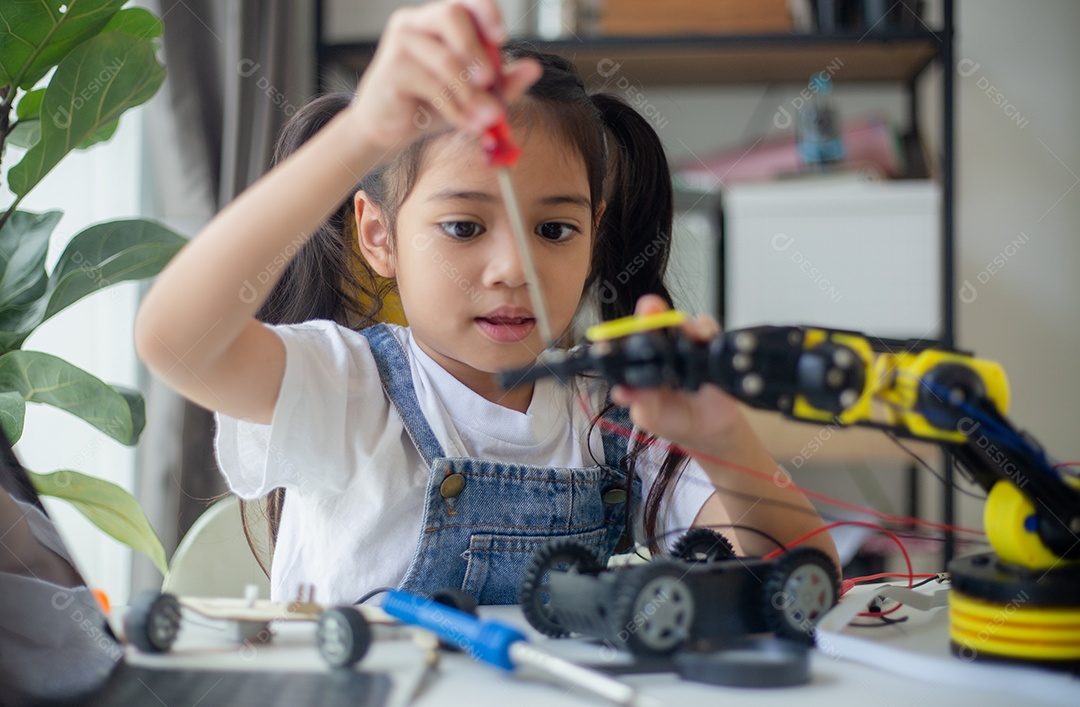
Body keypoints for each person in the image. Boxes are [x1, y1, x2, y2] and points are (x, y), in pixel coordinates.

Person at [135, 0, 837, 605]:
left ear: (594, 236)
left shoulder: (619, 411)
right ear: (379, 236)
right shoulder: (348, 386)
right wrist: (362, 136)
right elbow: (175, 339)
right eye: (465, 227)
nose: (513, 269)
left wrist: (722, 438)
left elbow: (801, 585)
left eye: (555, 229)